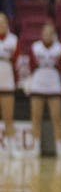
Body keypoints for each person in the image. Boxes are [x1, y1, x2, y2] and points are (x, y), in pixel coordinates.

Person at [28, 21, 61, 157]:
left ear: (54, 35)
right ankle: (35, 147)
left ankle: (59, 147)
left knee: (57, 118)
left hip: (54, 82)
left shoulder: (60, 48)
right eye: (45, 33)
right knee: (36, 117)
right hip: (38, 81)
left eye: (50, 33)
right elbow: (31, 66)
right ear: (41, 34)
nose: (47, 35)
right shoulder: (35, 47)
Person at [0, 13, 18, 153]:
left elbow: (17, 63)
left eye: (3, 22)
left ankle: (12, 147)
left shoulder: (14, 40)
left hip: (7, 79)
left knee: (8, 116)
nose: (1, 24)